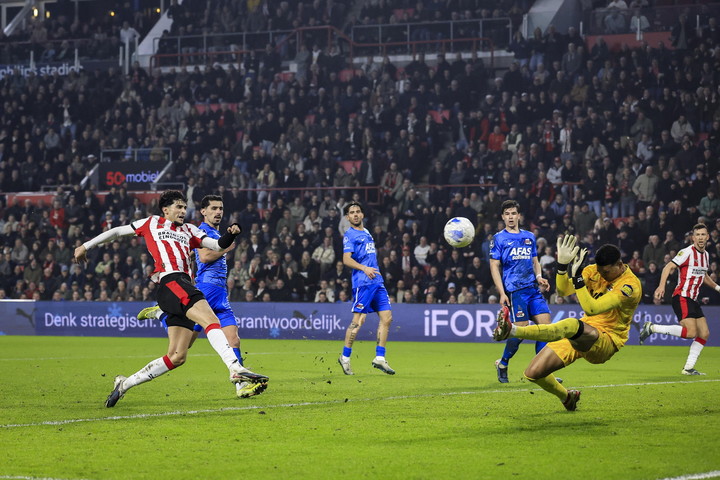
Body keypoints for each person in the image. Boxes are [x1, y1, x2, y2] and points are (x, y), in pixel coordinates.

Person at [73, 190, 268, 407]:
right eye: (178, 207)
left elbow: (217, 246)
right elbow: (118, 231)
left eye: (184, 207)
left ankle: (124, 384)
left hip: (183, 286)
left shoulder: (190, 230)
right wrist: (85, 246)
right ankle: (234, 368)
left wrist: (231, 234)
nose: (183, 211)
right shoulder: (152, 223)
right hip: (171, 281)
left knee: (177, 357)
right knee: (210, 320)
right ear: (165, 209)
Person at [137, 195, 267, 398]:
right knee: (185, 344)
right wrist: (226, 247)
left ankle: (241, 386)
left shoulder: (216, 233)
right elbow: (205, 256)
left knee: (233, 340)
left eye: (221, 208)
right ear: (203, 212)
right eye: (213, 208)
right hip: (205, 290)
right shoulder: (202, 231)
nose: (218, 212)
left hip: (220, 293)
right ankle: (162, 315)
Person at [493, 239, 641, 411]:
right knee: (533, 373)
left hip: (606, 340)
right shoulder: (593, 271)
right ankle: (567, 397)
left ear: (619, 265)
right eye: (600, 271)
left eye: (606, 272)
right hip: (582, 333)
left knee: (571, 324)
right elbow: (563, 291)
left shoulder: (630, 286)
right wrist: (562, 267)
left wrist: (578, 279)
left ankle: (512, 330)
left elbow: (592, 309)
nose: (601, 275)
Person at [639, 223, 719, 375]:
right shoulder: (687, 252)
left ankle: (688, 368)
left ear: (708, 237)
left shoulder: (706, 256)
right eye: (698, 235)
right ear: (693, 237)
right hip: (682, 296)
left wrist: (718, 288)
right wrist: (661, 286)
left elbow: (704, 276)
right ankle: (652, 328)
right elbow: (668, 267)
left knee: (704, 333)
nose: (700, 237)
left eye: (703, 234)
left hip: (693, 299)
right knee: (691, 332)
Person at [489, 200, 553, 384]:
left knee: (546, 330)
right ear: (503, 217)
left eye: (513, 213)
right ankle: (503, 363)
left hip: (533, 289)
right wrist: (501, 293)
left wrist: (539, 276)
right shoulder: (498, 239)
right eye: (507, 214)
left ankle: (542, 372)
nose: (510, 217)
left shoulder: (529, 236)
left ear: (519, 216)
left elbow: (535, 261)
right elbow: (494, 267)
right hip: (515, 290)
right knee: (522, 330)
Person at [337, 201, 395, 375]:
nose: (355, 214)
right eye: (352, 212)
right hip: (363, 283)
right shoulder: (350, 235)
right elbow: (346, 259)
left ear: (362, 214)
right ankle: (345, 357)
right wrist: (364, 268)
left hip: (377, 281)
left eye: (358, 211)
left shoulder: (367, 232)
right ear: (348, 217)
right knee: (358, 321)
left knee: (387, 318)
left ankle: (380, 358)